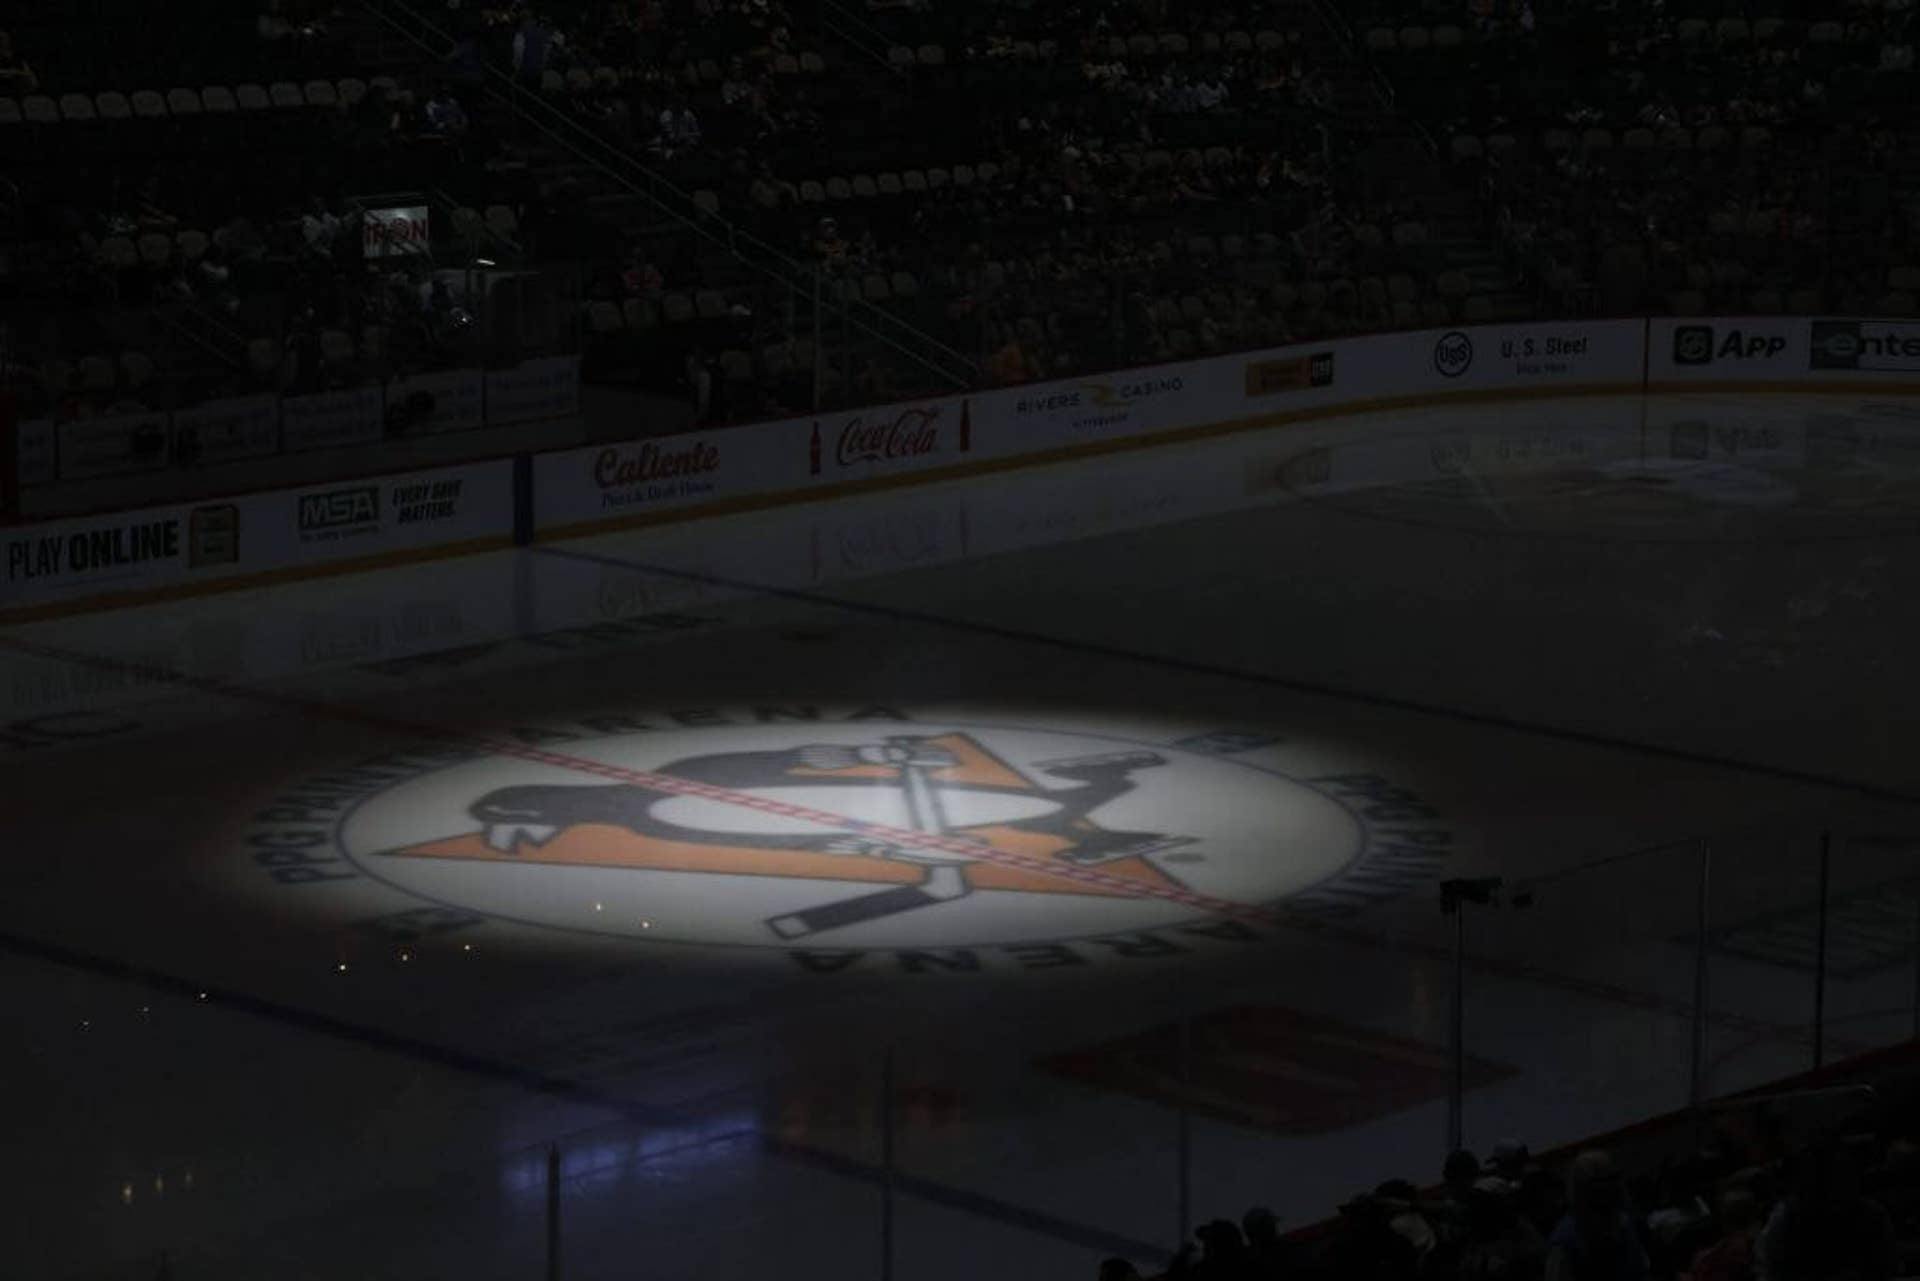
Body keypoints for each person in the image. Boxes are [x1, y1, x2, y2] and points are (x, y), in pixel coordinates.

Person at [1545, 1151, 1649, 1281]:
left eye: (1613, 1180)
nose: (1614, 1188)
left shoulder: (1624, 1224)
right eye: (1604, 1182)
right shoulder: (1565, 1242)